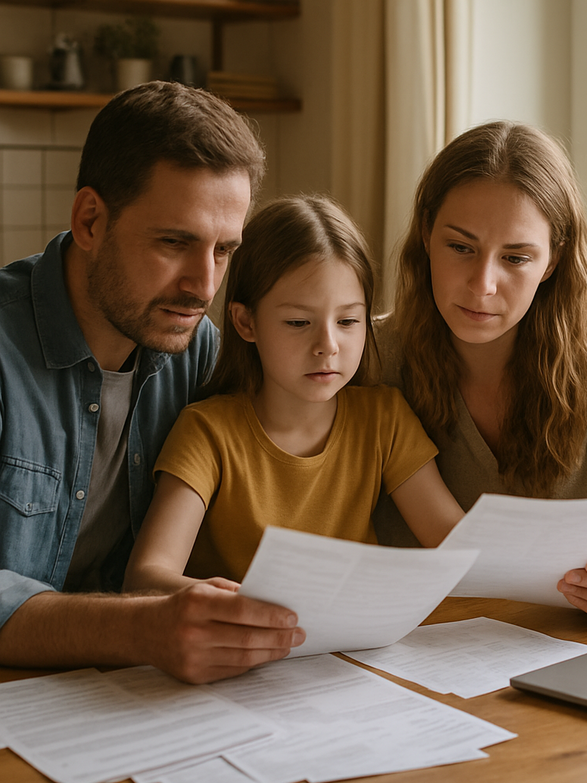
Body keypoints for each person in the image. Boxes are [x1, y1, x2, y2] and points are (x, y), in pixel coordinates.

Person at [0, 80, 305, 685]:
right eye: (175, 242)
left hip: (128, 694)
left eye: (224, 250)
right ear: (90, 220)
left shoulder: (198, 350)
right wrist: (141, 628)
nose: (204, 285)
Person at [373, 120, 587, 620]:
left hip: (557, 643)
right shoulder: (369, 353)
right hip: (399, 646)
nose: (482, 284)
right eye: (460, 248)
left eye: (516, 257)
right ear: (425, 234)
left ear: (552, 260)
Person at [124, 195, 465, 592]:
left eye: (349, 320)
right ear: (245, 322)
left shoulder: (385, 419)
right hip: (240, 646)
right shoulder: (207, 432)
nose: (328, 345)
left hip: (349, 645)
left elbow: (457, 546)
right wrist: (241, 607)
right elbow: (145, 578)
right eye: (299, 322)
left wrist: (552, 579)